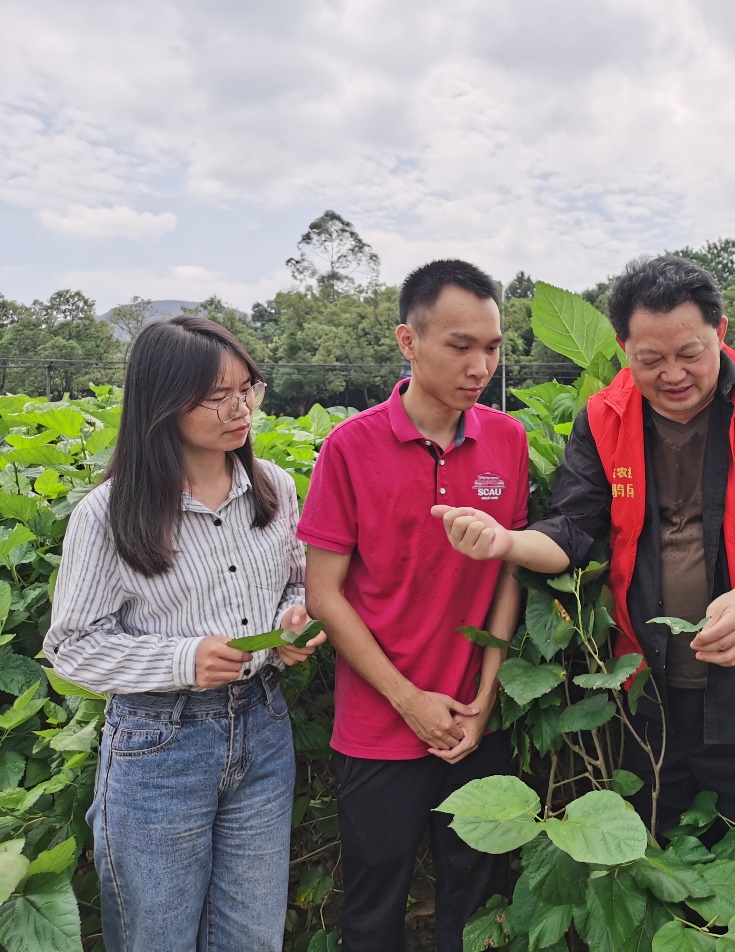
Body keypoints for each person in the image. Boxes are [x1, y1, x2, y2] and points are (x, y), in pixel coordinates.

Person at [434, 254, 735, 947]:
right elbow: (575, 528)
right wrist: (507, 542)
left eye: (690, 353)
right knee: (662, 855)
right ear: (624, 348)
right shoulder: (604, 416)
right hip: (647, 693)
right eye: (651, 358)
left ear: (721, 332)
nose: (672, 374)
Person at [44, 316, 323, 952]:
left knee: (251, 938)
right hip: (157, 745)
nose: (240, 408)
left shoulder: (274, 487)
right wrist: (181, 658)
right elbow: (72, 645)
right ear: (162, 404)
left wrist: (291, 622)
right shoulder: (110, 513)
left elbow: (297, 583)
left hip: (261, 727)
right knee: (156, 938)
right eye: (214, 397)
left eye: (247, 387)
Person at [300, 260, 528, 952]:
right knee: (374, 908)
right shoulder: (350, 447)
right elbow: (324, 594)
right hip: (378, 727)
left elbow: (507, 575)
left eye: (491, 347)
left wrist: (485, 698)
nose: (480, 364)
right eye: (461, 346)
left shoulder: (508, 441)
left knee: (479, 901)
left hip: (474, 727)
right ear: (409, 340)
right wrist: (407, 699)